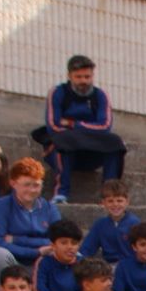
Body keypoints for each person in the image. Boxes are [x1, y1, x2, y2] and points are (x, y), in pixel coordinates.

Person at [33, 54, 126, 204]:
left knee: (115, 142)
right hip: (63, 151)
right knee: (63, 140)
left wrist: (72, 125)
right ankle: (61, 193)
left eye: (87, 77)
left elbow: (105, 126)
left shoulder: (100, 95)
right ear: (69, 75)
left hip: (90, 152)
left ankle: (110, 195)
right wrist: (85, 132)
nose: (84, 81)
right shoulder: (57, 93)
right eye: (79, 77)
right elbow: (54, 126)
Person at [0, 157, 61, 291]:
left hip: (39, 266)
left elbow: (57, 242)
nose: (31, 190)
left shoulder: (50, 209)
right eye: (26, 185)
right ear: (13, 183)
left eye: (36, 185)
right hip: (11, 263)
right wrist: (36, 251)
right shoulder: (0, 206)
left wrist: (16, 239)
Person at [79, 179, 140, 263]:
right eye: (110, 201)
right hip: (109, 267)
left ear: (127, 202)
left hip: (130, 266)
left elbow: (141, 250)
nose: (115, 204)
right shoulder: (100, 225)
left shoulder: (135, 223)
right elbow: (86, 249)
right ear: (103, 203)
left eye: (119, 201)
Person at [31, 219, 83, 291]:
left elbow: (89, 289)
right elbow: (39, 288)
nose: (70, 247)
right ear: (53, 245)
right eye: (64, 243)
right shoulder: (44, 262)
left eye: (74, 243)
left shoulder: (83, 263)